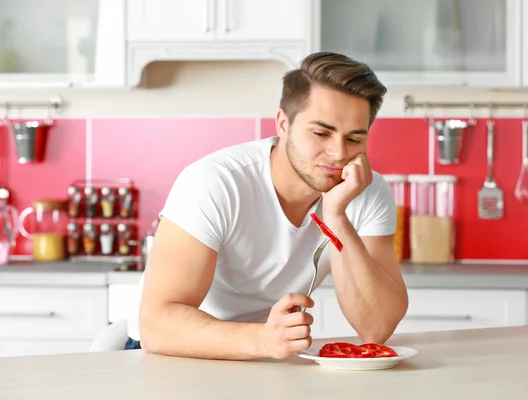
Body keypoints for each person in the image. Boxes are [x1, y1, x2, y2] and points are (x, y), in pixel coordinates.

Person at [124, 51, 409, 360]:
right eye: (321, 133)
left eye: (354, 139)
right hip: (172, 354)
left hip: (264, 354)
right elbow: (157, 326)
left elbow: (376, 327)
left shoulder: (364, 190)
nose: (339, 153)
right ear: (283, 124)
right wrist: (261, 339)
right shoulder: (215, 183)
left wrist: (337, 218)